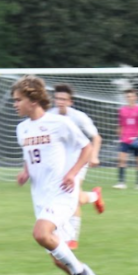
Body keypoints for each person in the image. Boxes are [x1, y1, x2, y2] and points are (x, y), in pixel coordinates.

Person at [13, 75, 117, 275]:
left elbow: (87, 147)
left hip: (63, 194)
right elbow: (32, 155)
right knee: (57, 259)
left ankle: (80, 273)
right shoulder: (21, 129)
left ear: (32, 99)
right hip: (40, 197)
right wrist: (25, 171)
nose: (15, 104)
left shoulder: (60, 123)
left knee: (40, 233)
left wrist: (72, 174)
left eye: (18, 99)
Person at [48, 83, 105, 249]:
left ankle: (72, 238)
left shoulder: (79, 117)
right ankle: (95, 195)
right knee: (75, 198)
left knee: (72, 198)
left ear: (70, 101)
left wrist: (94, 155)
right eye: (57, 98)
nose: (60, 101)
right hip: (60, 163)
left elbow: (97, 137)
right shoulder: (50, 116)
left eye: (64, 99)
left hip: (79, 159)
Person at [115, 88, 138, 190]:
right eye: (128, 96)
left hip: (137, 139)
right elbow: (121, 125)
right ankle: (121, 182)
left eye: (131, 96)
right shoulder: (122, 110)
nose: (129, 98)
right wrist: (119, 136)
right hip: (125, 139)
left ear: (136, 97)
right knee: (121, 159)